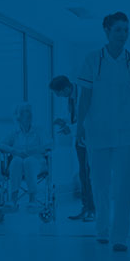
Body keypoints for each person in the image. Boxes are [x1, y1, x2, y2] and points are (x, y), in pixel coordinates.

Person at [75, 12, 130, 252]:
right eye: (118, 30)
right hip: (97, 131)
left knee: (124, 186)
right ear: (107, 31)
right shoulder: (92, 59)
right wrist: (79, 126)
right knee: (99, 184)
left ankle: (120, 236)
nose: (123, 34)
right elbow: (84, 96)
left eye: (126, 30)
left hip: (127, 133)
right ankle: (102, 229)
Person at [49, 75, 95, 222]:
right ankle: (86, 207)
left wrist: (71, 127)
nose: (59, 97)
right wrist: (65, 122)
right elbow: (76, 117)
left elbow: (89, 119)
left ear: (67, 88)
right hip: (80, 139)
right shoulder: (71, 97)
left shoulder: (85, 94)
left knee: (90, 174)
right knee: (83, 174)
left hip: (91, 139)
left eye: (59, 93)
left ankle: (92, 210)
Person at [0, 103, 48, 211]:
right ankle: (13, 200)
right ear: (18, 117)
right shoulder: (14, 132)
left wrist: (32, 151)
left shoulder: (39, 130)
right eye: (25, 112)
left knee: (28, 161)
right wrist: (14, 150)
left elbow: (50, 144)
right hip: (19, 165)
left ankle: (32, 199)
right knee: (16, 161)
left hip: (37, 163)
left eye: (30, 112)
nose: (29, 115)